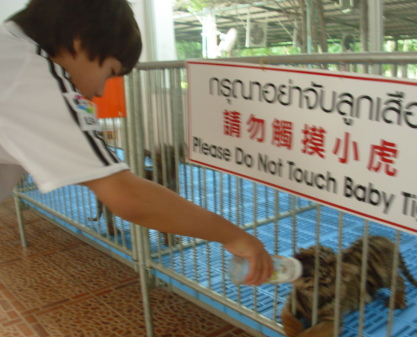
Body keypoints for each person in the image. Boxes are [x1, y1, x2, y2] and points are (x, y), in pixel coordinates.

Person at [0, 0, 273, 285]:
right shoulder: (33, 76)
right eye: (110, 72)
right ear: (80, 40)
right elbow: (130, 198)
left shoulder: (10, 53)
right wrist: (235, 236)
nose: (100, 90)